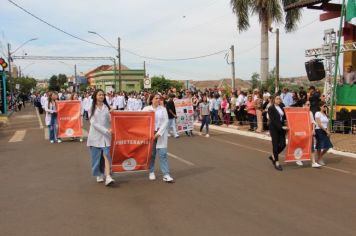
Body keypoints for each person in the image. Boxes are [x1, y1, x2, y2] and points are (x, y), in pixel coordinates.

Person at [143, 93, 174, 183]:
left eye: (159, 98)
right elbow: (141, 119)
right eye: (156, 98)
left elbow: (166, 121)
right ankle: (151, 171)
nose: (158, 100)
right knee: (152, 155)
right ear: (151, 99)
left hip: (161, 134)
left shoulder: (163, 109)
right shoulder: (146, 109)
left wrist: (159, 133)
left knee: (163, 154)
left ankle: (166, 174)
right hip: (150, 134)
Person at [87, 89, 115, 186]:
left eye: (103, 95)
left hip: (106, 136)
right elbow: (93, 123)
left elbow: (110, 120)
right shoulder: (91, 108)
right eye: (99, 95)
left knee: (106, 155)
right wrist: (106, 130)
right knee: (97, 157)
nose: (102, 96)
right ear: (95, 96)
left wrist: (112, 112)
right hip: (95, 136)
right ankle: (99, 174)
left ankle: (108, 176)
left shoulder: (106, 108)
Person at [267, 95, 287, 171]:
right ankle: (277, 162)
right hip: (274, 128)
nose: (279, 100)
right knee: (275, 145)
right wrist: (281, 127)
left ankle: (273, 156)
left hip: (282, 128)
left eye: (279, 99)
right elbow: (273, 120)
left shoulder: (282, 106)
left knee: (283, 144)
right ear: (274, 100)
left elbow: (284, 116)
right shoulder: (270, 108)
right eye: (277, 99)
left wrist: (285, 124)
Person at [301, 101, 322, 168]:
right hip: (302, 132)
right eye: (307, 104)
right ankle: (299, 158)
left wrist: (313, 130)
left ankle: (313, 162)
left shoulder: (310, 113)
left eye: (309, 105)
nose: (309, 106)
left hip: (309, 132)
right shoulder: (300, 112)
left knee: (311, 146)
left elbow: (313, 122)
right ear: (303, 105)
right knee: (302, 146)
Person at [314, 102, 333, 166]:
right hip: (319, 130)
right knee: (320, 145)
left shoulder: (326, 115)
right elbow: (319, 124)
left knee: (328, 146)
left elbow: (327, 124)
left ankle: (319, 157)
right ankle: (319, 159)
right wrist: (326, 130)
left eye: (325, 107)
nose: (325, 108)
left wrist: (328, 131)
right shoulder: (317, 113)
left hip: (325, 131)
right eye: (324, 106)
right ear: (320, 107)